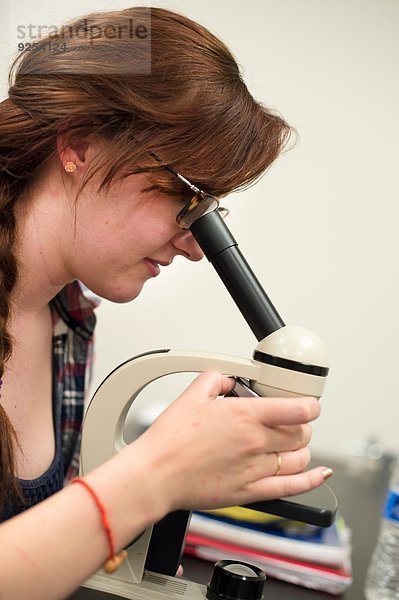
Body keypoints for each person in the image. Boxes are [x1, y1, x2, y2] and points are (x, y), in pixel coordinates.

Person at [0, 6, 333, 599]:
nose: (196, 246)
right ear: (79, 147)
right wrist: (154, 476)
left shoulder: (68, 319)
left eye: (208, 214)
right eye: (184, 197)